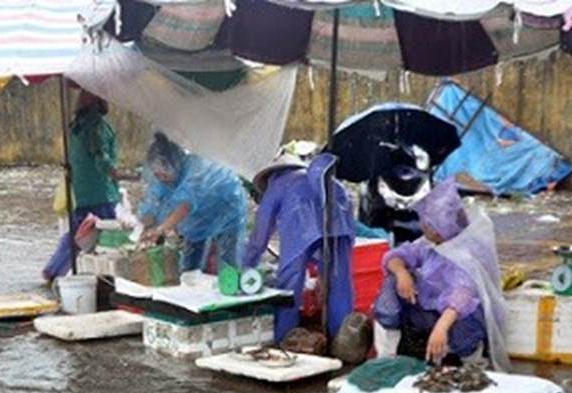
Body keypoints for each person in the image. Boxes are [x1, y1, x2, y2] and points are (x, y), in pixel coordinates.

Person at [372, 177, 510, 371]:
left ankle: (472, 360)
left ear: (441, 229)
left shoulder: (466, 252)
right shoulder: (429, 244)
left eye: (428, 224)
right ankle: (387, 356)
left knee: (464, 326)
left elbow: (462, 296)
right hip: (431, 312)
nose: (423, 227)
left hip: (460, 319)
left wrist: (441, 328)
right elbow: (396, 256)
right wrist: (401, 272)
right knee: (392, 280)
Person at [243, 151, 355, 343]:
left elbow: (260, 234)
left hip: (302, 229)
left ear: (270, 175)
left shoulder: (278, 185)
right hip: (341, 226)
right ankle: (343, 340)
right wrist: (322, 274)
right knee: (339, 282)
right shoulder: (325, 179)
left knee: (289, 284)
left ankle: (283, 338)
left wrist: (246, 264)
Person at [43, 90, 124, 281]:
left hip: (80, 192)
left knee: (77, 233)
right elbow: (102, 158)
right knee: (110, 236)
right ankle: (110, 279)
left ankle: (53, 270)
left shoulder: (75, 127)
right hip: (101, 193)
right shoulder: (98, 127)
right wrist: (115, 173)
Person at [139, 132, 247, 272]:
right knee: (191, 257)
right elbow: (152, 205)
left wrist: (160, 229)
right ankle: (190, 280)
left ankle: (228, 285)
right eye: (156, 174)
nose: (160, 178)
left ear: (175, 164)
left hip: (226, 208)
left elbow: (184, 207)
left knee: (226, 260)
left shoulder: (196, 171)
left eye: (163, 173)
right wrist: (138, 226)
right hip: (199, 215)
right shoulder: (163, 179)